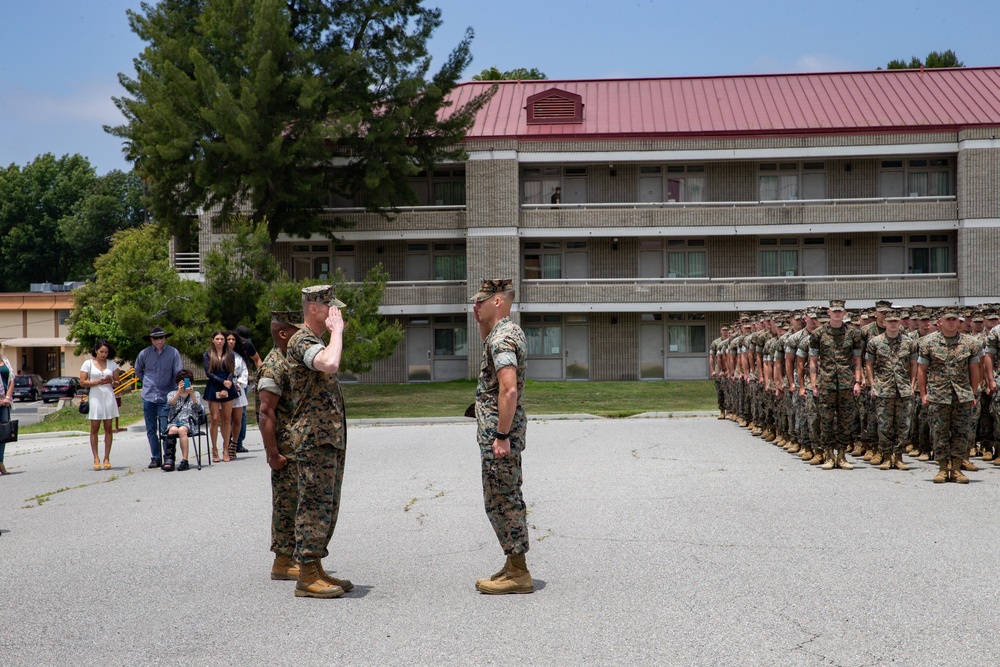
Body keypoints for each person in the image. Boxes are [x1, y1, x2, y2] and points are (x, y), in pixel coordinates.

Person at [284, 285, 352, 599]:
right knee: (313, 505)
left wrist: (333, 333)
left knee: (326, 505)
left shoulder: (317, 340)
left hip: (326, 438)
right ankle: (307, 574)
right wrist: (337, 331)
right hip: (313, 438)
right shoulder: (301, 341)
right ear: (314, 309)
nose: (335, 313)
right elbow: (329, 363)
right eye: (330, 308)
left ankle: (317, 567)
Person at [470, 278, 533, 595]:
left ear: (498, 301)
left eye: (481, 301)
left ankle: (519, 573)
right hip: (501, 428)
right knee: (505, 495)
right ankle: (513, 563)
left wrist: (501, 435)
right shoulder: (507, 331)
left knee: (501, 499)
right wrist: (481, 323)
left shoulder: (502, 339)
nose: (475, 306)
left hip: (500, 432)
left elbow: (508, 389)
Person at [257, 311, 303, 582]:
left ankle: (294, 555)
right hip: (284, 449)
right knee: (286, 503)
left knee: (297, 502)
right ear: (284, 334)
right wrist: (272, 453)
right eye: (297, 331)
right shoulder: (275, 365)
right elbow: (266, 412)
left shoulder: (291, 361)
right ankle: (283, 561)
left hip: (296, 447)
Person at [918, 308, 982, 484]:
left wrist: (973, 393)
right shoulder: (928, 343)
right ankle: (941, 468)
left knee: (962, 432)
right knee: (939, 433)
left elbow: (975, 370)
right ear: (940, 322)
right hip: (938, 395)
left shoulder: (970, 343)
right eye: (948, 319)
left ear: (959, 322)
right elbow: (922, 371)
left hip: (962, 395)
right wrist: (923, 394)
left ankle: (956, 469)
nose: (952, 322)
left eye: (955, 319)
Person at [808, 300, 863, 470]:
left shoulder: (853, 334)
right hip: (826, 383)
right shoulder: (818, 334)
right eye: (834, 311)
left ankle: (841, 455)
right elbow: (813, 361)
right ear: (829, 313)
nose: (837, 314)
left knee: (845, 421)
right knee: (826, 420)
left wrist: (858, 381)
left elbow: (857, 360)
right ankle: (829, 455)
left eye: (840, 311)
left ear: (844, 313)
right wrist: (814, 384)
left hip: (846, 383)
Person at [865, 309, 917, 471]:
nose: (893, 324)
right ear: (884, 323)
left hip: (903, 389)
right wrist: (872, 385)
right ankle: (886, 456)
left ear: (900, 322)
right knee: (884, 425)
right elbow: (869, 365)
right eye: (890, 321)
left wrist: (913, 384)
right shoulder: (875, 342)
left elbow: (914, 365)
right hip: (883, 389)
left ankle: (899, 456)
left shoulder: (909, 343)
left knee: (903, 425)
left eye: (896, 321)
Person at [135, 326, 183, 469]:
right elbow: (138, 370)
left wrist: (179, 389)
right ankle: (155, 457)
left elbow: (179, 372)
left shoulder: (173, 353)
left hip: (166, 396)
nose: (159, 340)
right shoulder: (144, 354)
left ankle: (168, 457)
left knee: (165, 429)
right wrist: (146, 382)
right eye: (156, 338)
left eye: (161, 337)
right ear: (151, 340)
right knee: (151, 429)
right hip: (148, 395)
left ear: (165, 338)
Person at [80, 340, 120, 471]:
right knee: (94, 428)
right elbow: (82, 382)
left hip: (108, 396)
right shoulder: (88, 364)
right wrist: (97, 381)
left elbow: (117, 382)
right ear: (96, 350)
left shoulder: (112, 364)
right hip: (95, 397)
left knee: (108, 428)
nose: (104, 354)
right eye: (101, 351)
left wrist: (112, 381)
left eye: (106, 352)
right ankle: (96, 458)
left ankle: (107, 457)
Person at [203, 330, 236, 463]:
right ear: (213, 340)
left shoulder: (230, 354)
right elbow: (208, 372)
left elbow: (232, 371)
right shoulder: (207, 354)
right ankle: (214, 449)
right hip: (214, 386)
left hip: (228, 387)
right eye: (217, 339)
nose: (219, 341)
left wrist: (227, 384)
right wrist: (222, 382)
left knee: (227, 419)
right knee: (215, 418)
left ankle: (226, 449)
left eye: (222, 339)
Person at [164, 369, 202, 472]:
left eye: (185, 382)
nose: (183, 384)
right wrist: (178, 393)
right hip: (174, 421)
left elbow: (198, 409)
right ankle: (169, 460)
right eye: (181, 382)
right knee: (172, 430)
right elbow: (169, 405)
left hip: (189, 422)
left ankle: (185, 460)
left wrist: (192, 394)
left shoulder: (196, 394)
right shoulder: (172, 393)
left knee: (182, 430)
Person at [234, 325, 262, 453]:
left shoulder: (248, 346)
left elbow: (257, 359)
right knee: (227, 413)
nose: (242, 342)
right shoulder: (228, 344)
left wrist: (261, 374)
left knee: (242, 412)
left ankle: (238, 442)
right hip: (227, 381)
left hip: (241, 381)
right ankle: (228, 442)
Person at [225, 330, 250, 458]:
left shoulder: (239, 357)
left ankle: (234, 444)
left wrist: (239, 383)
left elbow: (244, 373)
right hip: (224, 389)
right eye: (228, 339)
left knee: (237, 418)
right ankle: (225, 445)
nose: (231, 342)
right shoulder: (219, 356)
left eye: (233, 340)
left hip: (237, 388)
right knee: (225, 418)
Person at [0, 342, 13, 475]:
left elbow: (12, 379)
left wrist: (7, 398)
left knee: (3, 433)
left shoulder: (5, 361)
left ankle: (1, 462)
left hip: (5, 402)